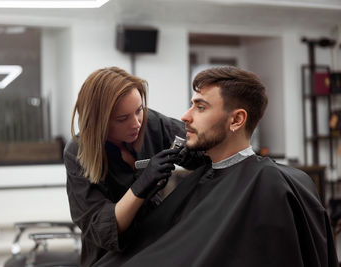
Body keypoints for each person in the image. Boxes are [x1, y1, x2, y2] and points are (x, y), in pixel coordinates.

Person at [94, 66, 338, 267]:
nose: (185, 117)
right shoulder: (202, 179)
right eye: (192, 105)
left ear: (236, 120)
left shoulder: (271, 185)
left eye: (200, 107)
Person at [64, 66, 202, 267]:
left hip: (158, 248)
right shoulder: (77, 152)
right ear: (99, 122)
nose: (136, 123)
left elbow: (199, 145)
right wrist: (140, 188)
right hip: (110, 259)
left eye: (139, 110)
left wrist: (193, 149)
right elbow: (102, 228)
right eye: (122, 119)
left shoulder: (150, 123)